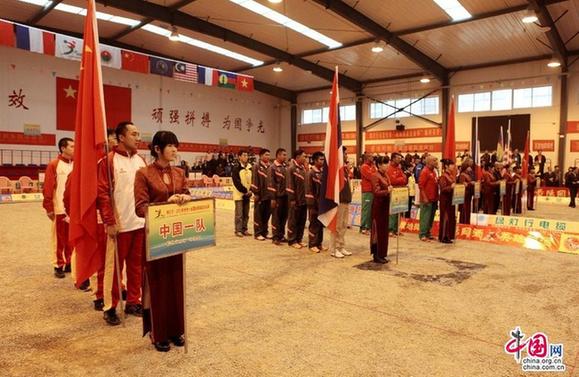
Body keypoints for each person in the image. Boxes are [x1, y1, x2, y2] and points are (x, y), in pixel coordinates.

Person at [134, 130, 192, 353]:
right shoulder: (144, 174)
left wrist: (185, 198)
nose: (174, 150)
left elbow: (186, 192)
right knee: (157, 284)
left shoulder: (179, 172)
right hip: (155, 235)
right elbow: (140, 208)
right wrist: (166, 203)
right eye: (170, 146)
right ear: (157, 149)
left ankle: (176, 329)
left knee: (176, 282)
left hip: (176, 235)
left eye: (176, 145)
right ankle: (158, 332)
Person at [97, 121, 146, 326]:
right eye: (134, 134)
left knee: (136, 267)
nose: (138, 137)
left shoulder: (141, 161)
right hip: (120, 225)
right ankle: (110, 306)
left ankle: (134, 301)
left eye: (138, 133)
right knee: (114, 268)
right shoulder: (108, 162)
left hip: (140, 223)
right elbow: (102, 194)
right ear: (121, 137)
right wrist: (109, 221)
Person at [43, 137, 74, 279]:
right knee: (59, 239)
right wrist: (49, 207)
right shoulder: (54, 165)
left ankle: (69, 262)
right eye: (72, 147)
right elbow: (48, 187)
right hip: (59, 209)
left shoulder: (76, 165)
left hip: (73, 210)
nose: (75, 149)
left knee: (71, 238)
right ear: (63, 148)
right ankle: (58, 265)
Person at [330, 147, 352, 258]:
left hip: (345, 200)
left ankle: (340, 246)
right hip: (338, 200)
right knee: (337, 226)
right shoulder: (335, 168)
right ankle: (333, 249)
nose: (346, 156)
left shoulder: (344, 168)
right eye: (345, 154)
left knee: (343, 225)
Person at [370, 156, 393, 264]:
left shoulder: (386, 175)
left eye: (387, 163)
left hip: (385, 206)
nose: (387, 165)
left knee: (384, 230)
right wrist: (387, 191)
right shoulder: (375, 175)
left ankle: (383, 253)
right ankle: (376, 254)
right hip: (378, 207)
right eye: (385, 163)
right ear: (379, 165)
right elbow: (376, 192)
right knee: (378, 230)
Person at [286, 149, 308, 249]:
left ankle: (299, 239)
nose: (305, 158)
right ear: (298, 157)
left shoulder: (303, 168)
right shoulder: (291, 169)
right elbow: (290, 185)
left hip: (303, 200)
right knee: (293, 221)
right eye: (304, 156)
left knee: (302, 221)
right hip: (295, 200)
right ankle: (292, 240)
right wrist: (292, 199)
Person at [268, 148, 289, 245]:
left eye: (285, 155)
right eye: (284, 155)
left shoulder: (285, 167)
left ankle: (281, 235)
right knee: (276, 217)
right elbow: (271, 183)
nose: (285, 156)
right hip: (277, 197)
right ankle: (275, 237)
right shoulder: (272, 167)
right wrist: (273, 198)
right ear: (278, 155)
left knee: (284, 217)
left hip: (285, 196)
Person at [306, 152, 325, 253]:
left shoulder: (322, 172)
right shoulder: (310, 173)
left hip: (321, 203)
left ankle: (319, 243)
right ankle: (312, 244)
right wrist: (311, 204)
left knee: (320, 224)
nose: (322, 161)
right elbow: (309, 190)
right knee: (313, 224)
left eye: (323, 159)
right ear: (315, 160)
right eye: (321, 160)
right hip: (314, 203)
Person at [251, 148, 271, 240]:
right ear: (261, 156)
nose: (268, 157)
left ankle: (264, 232)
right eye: (266, 155)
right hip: (260, 195)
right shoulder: (256, 166)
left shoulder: (270, 166)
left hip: (268, 195)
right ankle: (258, 233)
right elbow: (254, 180)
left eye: (269, 155)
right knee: (258, 214)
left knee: (266, 215)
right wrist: (256, 193)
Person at [231, 150, 252, 237]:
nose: (245, 157)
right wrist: (245, 191)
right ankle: (238, 230)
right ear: (239, 157)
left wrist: (250, 190)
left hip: (248, 194)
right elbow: (236, 182)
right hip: (239, 194)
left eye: (247, 155)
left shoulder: (250, 168)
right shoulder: (236, 168)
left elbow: (252, 180)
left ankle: (244, 229)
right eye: (243, 155)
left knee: (246, 214)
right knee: (239, 214)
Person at [418, 156, 439, 242]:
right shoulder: (425, 171)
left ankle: (428, 233)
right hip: (426, 199)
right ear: (429, 162)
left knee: (430, 218)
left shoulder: (433, 171)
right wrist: (425, 197)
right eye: (434, 160)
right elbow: (421, 186)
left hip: (433, 198)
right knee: (425, 217)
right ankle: (422, 234)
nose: (436, 162)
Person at [386, 152, 407, 236]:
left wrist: (400, 179)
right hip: (393, 192)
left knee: (399, 210)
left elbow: (405, 179)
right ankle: (390, 229)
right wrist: (401, 179)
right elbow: (392, 181)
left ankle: (395, 229)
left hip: (400, 192)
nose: (400, 159)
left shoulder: (399, 168)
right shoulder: (389, 168)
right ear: (393, 158)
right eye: (398, 158)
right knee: (392, 212)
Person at [438, 160, 457, 244]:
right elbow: (443, 189)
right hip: (445, 200)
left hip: (451, 199)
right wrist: (451, 187)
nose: (453, 167)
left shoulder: (451, 176)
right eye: (451, 165)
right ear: (446, 166)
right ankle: (444, 237)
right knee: (445, 218)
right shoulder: (443, 176)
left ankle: (449, 235)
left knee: (451, 217)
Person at [359, 153, 376, 235]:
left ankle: (368, 227)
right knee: (366, 210)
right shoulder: (364, 167)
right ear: (366, 158)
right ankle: (363, 227)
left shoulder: (372, 166)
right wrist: (374, 173)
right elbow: (372, 177)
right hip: (367, 191)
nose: (372, 157)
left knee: (371, 210)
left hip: (373, 191)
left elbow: (376, 175)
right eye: (370, 156)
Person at [458, 158, 474, 224]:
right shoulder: (462, 175)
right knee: (464, 210)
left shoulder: (468, 174)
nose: (470, 168)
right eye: (469, 167)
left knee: (467, 209)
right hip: (464, 195)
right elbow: (463, 185)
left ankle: (467, 222)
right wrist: (471, 183)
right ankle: (463, 222)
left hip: (468, 195)